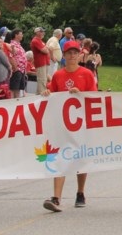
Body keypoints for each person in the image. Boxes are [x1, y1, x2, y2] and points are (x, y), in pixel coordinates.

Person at [43, 40, 97, 212]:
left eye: (75, 53)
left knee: (80, 158)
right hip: (63, 123)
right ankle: (56, 198)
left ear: (79, 54)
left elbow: (94, 97)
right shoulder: (59, 75)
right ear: (64, 56)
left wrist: (80, 94)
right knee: (60, 158)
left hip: (81, 123)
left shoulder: (87, 74)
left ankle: (80, 192)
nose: (72, 56)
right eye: (69, 53)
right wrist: (46, 93)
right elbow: (52, 93)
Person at [8, 29, 29, 98]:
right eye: (21, 34)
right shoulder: (12, 45)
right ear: (16, 35)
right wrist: (16, 68)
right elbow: (11, 56)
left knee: (19, 88)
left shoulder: (19, 45)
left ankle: (17, 100)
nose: (22, 35)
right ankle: (12, 101)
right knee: (14, 87)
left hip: (22, 70)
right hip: (17, 69)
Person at [31, 27, 51, 94]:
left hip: (44, 62)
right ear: (37, 32)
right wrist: (47, 48)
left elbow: (47, 50)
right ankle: (41, 94)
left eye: (43, 32)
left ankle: (40, 93)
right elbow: (45, 51)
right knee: (42, 79)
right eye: (41, 32)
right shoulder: (35, 41)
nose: (43, 33)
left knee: (44, 79)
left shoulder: (40, 41)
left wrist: (47, 49)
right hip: (40, 62)